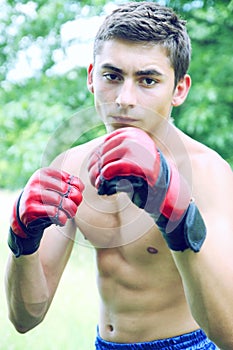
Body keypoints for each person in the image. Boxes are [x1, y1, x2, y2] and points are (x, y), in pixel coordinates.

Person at [5, 2, 233, 349]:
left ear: (179, 90)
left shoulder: (207, 173)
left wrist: (178, 219)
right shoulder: (68, 167)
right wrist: (22, 242)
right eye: (112, 76)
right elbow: (25, 318)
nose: (126, 99)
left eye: (147, 80)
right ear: (91, 78)